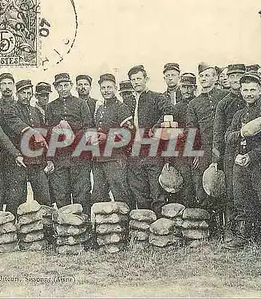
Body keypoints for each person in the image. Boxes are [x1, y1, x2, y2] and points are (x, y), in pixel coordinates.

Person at [223, 73, 261, 251]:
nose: (248, 93)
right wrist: (241, 135)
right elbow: (228, 136)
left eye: (252, 90)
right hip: (240, 162)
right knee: (242, 200)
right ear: (240, 91)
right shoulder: (239, 114)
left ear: (260, 90)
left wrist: (252, 156)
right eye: (245, 90)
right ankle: (244, 237)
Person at [125, 65, 172, 216]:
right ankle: (145, 226)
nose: (136, 82)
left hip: (153, 149)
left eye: (139, 78)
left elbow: (169, 110)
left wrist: (156, 127)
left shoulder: (157, 97)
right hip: (135, 151)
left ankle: (159, 228)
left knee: (156, 191)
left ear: (146, 79)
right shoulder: (127, 100)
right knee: (139, 189)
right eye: (133, 79)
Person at [1, 79, 53, 214]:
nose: (26, 96)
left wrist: (48, 158)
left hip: (37, 161)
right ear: (17, 94)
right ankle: (11, 229)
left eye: (29, 93)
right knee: (16, 199)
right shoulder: (11, 110)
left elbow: (44, 135)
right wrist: (32, 132)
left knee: (44, 197)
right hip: (20, 161)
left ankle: (45, 230)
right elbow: (15, 124)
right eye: (23, 93)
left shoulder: (35, 111)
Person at [46, 73, 94, 215]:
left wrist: (70, 130)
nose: (63, 88)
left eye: (66, 85)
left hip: (79, 155)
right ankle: (64, 229)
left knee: (82, 194)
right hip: (60, 157)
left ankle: (84, 228)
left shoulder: (81, 104)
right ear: (55, 87)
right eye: (59, 86)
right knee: (61, 194)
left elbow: (88, 127)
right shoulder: (51, 106)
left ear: (71, 85)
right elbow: (48, 131)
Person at [211, 63, 247, 242]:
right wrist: (216, 159)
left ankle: (250, 231)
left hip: (251, 151)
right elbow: (218, 133)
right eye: (231, 76)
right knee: (232, 193)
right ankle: (230, 230)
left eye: (239, 76)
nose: (235, 80)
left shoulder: (251, 98)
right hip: (230, 152)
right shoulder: (224, 103)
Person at [90, 73, 135, 207]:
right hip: (99, 160)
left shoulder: (121, 108)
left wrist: (107, 137)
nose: (106, 90)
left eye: (109, 87)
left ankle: (127, 226)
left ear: (115, 88)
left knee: (121, 195)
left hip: (115, 159)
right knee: (99, 196)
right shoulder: (100, 109)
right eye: (103, 88)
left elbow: (129, 134)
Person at [187, 64, 227, 210]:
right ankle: (208, 227)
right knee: (203, 188)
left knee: (225, 187)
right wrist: (196, 151)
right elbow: (192, 130)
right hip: (205, 150)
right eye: (201, 76)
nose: (204, 78)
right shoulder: (194, 103)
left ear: (215, 78)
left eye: (207, 75)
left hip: (225, 148)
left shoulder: (224, 96)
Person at [164, 72, 198, 207]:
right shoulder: (176, 108)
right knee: (183, 186)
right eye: (184, 87)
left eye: (190, 87)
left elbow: (201, 132)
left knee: (197, 187)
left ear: (195, 88)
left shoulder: (198, 103)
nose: (187, 90)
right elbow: (169, 134)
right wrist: (168, 159)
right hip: (180, 153)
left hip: (196, 152)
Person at [0, 72, 17, 211]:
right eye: (3, 84)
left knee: (15, 190)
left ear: (13, 86)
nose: (7, 87)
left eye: (9, 83)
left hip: (15, 152)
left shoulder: (19, 104)